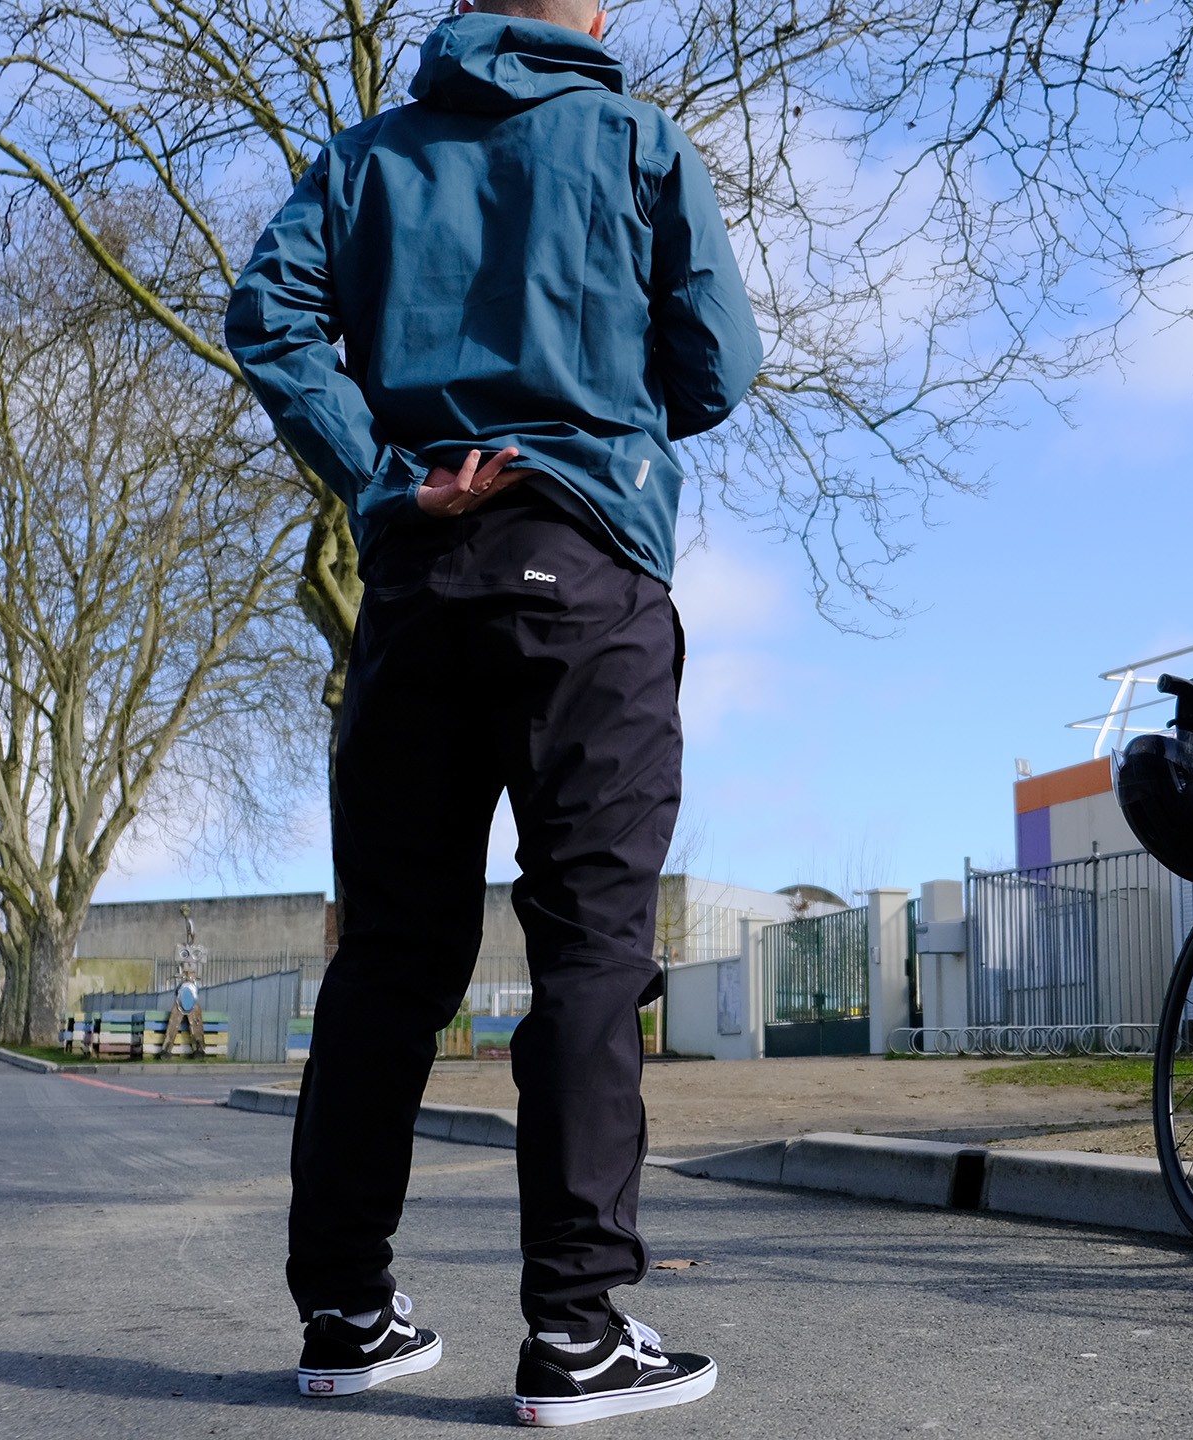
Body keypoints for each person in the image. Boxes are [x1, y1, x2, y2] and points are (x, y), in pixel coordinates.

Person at [224, 0, 760, 1425]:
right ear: (595, 14)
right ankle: (575, 1334)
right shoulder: (642, 146)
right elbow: (720, 368)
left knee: (392, 958)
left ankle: (345, 1312)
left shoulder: (366, 159)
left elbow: (265, 315)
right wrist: (599, 398)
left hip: (415, 582)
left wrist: (377, 468)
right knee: (591, 948)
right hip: (584, 571)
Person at [159, 967, 205, 1059]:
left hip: (188, 1000)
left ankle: (199, 1049)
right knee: (174, 1024)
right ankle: (166, 1049)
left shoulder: (189, 991)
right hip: (184, 1000)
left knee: (195, 1025)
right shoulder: (186, 990)